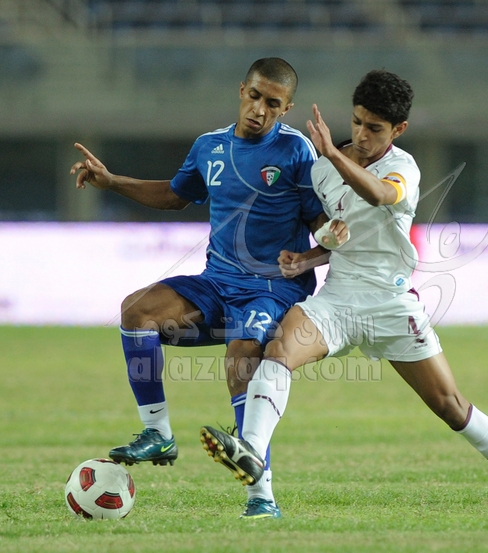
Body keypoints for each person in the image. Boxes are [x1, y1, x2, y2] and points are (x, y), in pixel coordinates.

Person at [200, 70, 488, 517]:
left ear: (398, 129)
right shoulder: (323, 169)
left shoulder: (403, 168)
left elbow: (380, 196)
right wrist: (309, 257)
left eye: (375, 128)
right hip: (338, 299)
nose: (362, 135)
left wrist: (333, 156)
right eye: (357, 122)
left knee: (451, 406)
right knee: (278, 351)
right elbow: (339, 233)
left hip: (391, 304)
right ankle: (251, 452)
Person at [70, 57, 346, 520]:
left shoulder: (297, 151)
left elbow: (318, 217)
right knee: (136, 311)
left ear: (286, 109)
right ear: (241, 90)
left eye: (272, 103)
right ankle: (158, 433)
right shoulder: (209, 146)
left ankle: (262, 498)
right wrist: (112, 182)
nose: (259, 109)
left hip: (272, 288)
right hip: (216, 282)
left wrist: (324, 242)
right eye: (254, 96)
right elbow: (174, 195)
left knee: (241, 358)